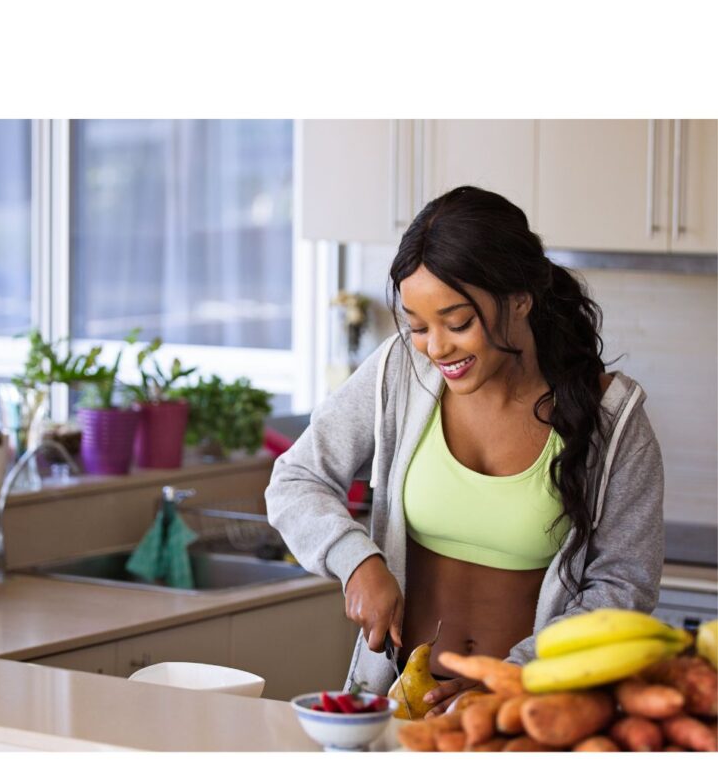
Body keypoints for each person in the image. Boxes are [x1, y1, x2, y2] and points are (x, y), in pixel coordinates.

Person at [265, 186, 664, 715]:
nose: (436, 348)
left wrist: (511, 679)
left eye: (457, 323)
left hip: (528, 711)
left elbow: (623, 587)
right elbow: (295, 480)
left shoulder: (612, 418)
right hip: (400, 704)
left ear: (520, 298)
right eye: (417, 326)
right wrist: (357, 560)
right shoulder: (400, 370)